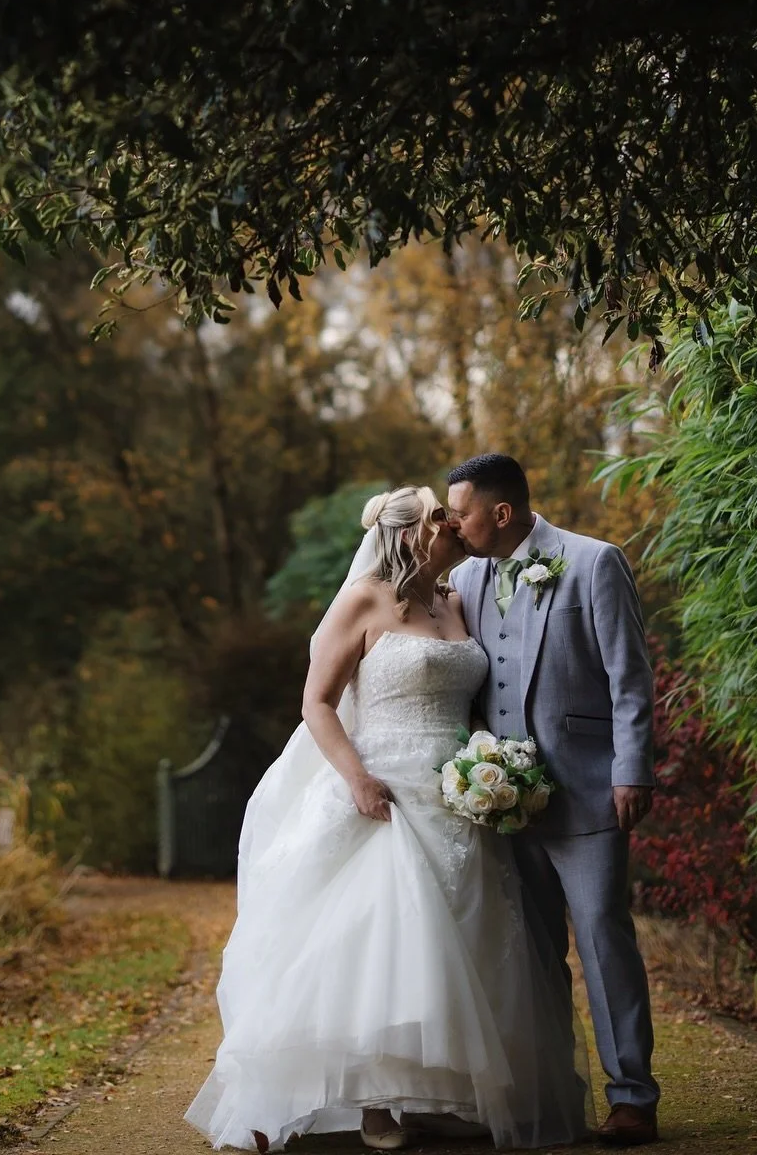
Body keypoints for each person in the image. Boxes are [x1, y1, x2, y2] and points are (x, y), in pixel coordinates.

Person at [187, 485, 589, 1153]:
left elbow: (478, 702)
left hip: (457, 793)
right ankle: (374, 1102)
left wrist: (496, 769)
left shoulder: (456, 601)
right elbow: (317, 701)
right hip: (382, 789)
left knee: (466, 938)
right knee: (377, 938)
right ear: (408, 535)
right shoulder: (363, 599)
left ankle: (449, 1094)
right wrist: (356, 779)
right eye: (441, 519)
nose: (453, 527)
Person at [447, 452, 660, 1148]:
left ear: (500, 512)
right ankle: (553, 1095)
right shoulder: (466, 579)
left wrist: (633, 770)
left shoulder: (593, 562)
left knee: (604, 940)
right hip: (505, 803)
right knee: (533, 954)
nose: (455, 523)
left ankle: (631, 1097)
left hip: (590, 789)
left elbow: (629, 677)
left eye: (462, 511)